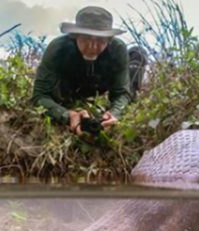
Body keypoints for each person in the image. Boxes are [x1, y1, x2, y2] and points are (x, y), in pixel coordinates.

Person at [32, 6, 146, 136]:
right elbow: (40, 96)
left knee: (138, 54)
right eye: (86, 38)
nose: (92, 46)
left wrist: (114, 113)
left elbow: (122, 93)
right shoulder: (58, 49)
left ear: (109, 40)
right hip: (69, 89)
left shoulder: (117, 49)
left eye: (100, 40)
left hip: (100, 84)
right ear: (75, 36)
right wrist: (66, 115)